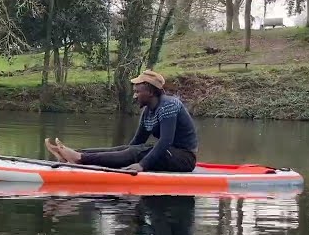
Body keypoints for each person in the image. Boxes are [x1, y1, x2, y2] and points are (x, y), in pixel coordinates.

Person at [45, 69, 198, 173]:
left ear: (151, 92)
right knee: (127, 148)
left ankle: (79, 158)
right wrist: (121, 157)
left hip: (184, 158)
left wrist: (141, 165)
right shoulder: (147, 112)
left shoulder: (169, 105)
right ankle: (75, 154)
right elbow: (134, 144)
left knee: (134, 152)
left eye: (138, 92)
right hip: (167, 154)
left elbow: (165, 141)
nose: (134, 95)